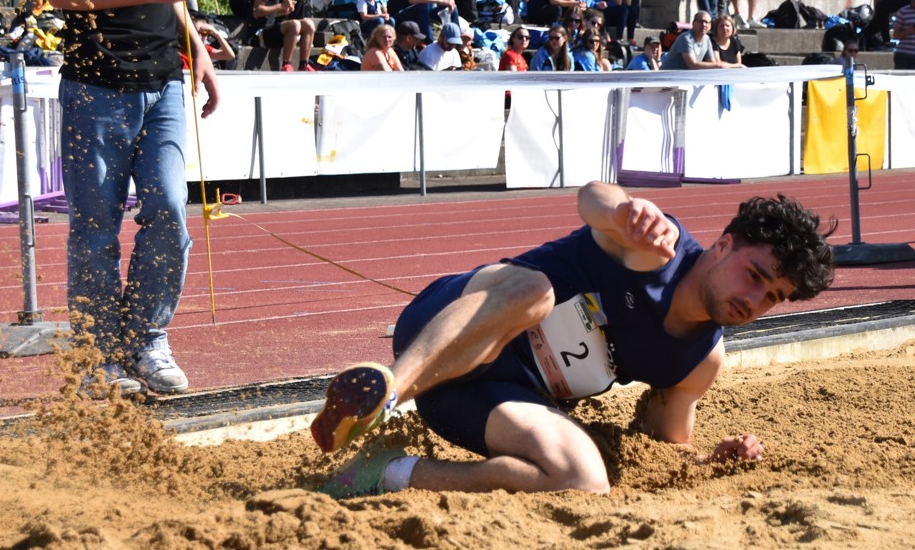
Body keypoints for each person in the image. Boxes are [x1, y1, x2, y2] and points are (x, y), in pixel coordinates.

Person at [311, 182, 836, 499]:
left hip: (483, 398)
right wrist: (624, 214)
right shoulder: (656, 249)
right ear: (723, 247)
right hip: (445, 332)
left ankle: (388, 473)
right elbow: (593, 198)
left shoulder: (700, 360)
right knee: (536, 289)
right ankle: (385, 395)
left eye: (773, 296)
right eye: (755, 275)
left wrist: (709, 462)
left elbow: (661, 446)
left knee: (584, 480)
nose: (756, 299)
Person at [44, 0, 220, 395]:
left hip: (164, 84)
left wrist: (197, 49)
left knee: (170, 211)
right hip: (95, 87)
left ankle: (147, 340)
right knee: (95, 229)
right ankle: (98, 357)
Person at [892, 0, 915, 69]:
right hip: (903, 55)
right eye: (912, 0)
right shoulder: (903, 11)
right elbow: (895, 35)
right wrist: (909, 31)